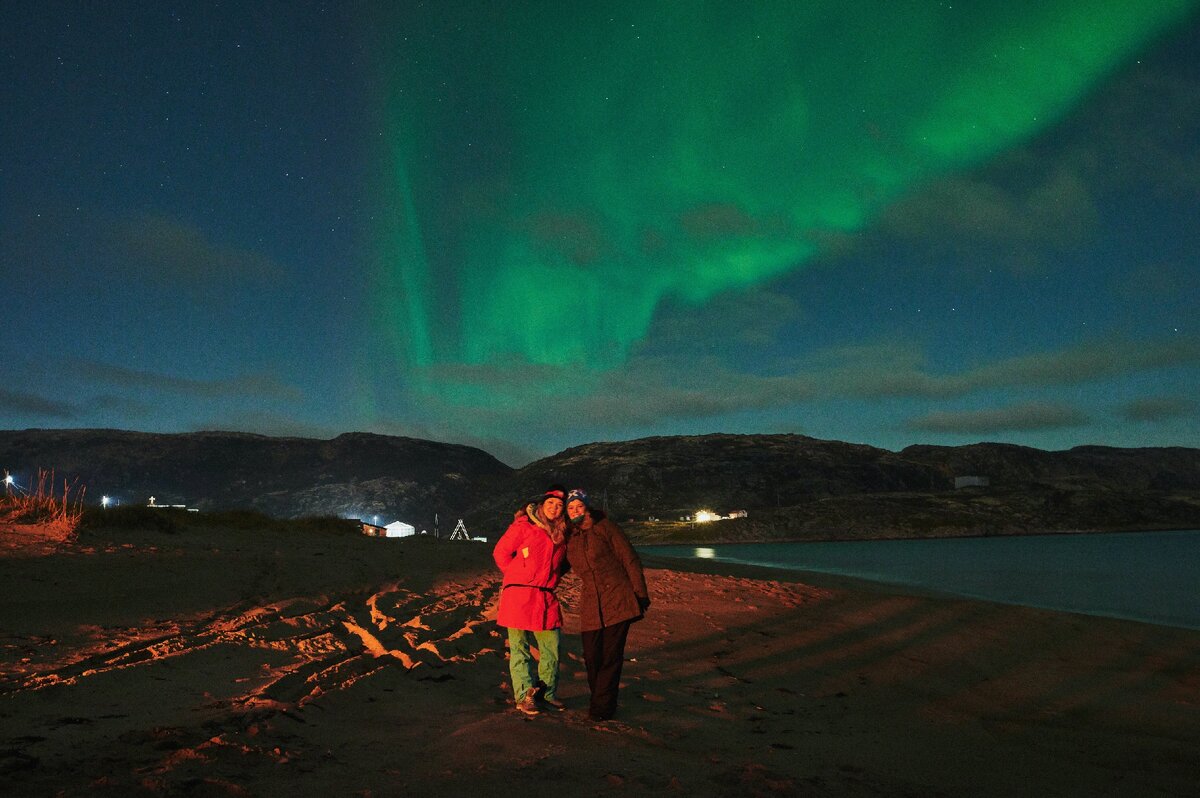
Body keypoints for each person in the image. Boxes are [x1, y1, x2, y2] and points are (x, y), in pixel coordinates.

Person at [564, 488, 650, 722]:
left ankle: (601, 708)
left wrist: (640, 594)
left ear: (587, 506)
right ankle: (601, 699)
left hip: (618, 598)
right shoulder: (569, 536)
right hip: (591, 602)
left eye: (579, 506)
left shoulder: (605, 527)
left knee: (610, 657)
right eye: (570, 508)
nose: (575, 511)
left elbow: (629, 558)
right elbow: (558, 566)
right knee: (592, 656)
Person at [492, 485, 569, 715]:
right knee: (520, 649)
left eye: (559, 506)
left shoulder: (562, 533)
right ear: (542, 504)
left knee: (551, 648)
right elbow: (500, 553)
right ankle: (524, 696)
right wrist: (518, 576)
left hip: (545, 596)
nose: (554, 508)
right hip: (519, 595)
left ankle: (546, 693)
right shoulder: (524, 526)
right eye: (551, 503)